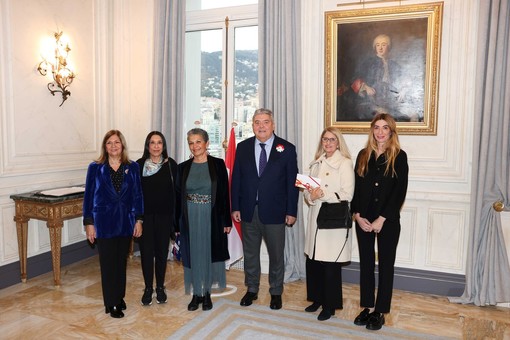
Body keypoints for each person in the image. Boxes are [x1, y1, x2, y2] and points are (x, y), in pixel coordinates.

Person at [231, 108, 299, 310]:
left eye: (265, 122)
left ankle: (276, 292)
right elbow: (236, 180)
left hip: (276, 212)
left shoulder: (286, 148)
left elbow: (292, 183)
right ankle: (251, 289)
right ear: (252, 125)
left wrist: (291, 211)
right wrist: (235, 206)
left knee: (276, 255)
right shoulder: (242, 148)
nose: (261, 126)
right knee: (250, 254)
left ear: (273, 124)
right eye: (257, 122)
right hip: (248, 211)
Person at [351, 112, 409, 330]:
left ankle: (380, 311)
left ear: (391, 131)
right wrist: (357, 215)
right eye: (377, 127)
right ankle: (366, 307)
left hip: (388, 220)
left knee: (386, 265)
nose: (380, 132)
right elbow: (356, 188)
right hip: (363, 219)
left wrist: (382, 219)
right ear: (372, 130)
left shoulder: (399, 156)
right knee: (365, 264)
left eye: (385, 128)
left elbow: (399, 192)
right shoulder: (363, 155)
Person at [83, 130, 143, 318]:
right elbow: (88, 197)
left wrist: (139, 220)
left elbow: (137, 195)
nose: (113, 146)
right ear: (105, 147)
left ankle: (119, 296)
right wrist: (89, 223)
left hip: (125, 222)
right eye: (109, 143)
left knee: (120, 262)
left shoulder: (132, 167)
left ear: (122, 145)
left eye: (117, 142)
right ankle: (112, 302)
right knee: (108, 264)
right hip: (103, 222)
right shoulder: (95, 167)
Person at [176, 128, 231, 311]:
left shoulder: (218, 164)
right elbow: (178, 197)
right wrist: (177, 224)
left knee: (207, 254)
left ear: (207, 143)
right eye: (191, 142)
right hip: (189, 217)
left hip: (211, 216)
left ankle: (206, 293)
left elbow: (224, 194)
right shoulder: (182, 168)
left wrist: (226, 221)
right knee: (193, 254)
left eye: (198, 141)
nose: (195, 146)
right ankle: (196, 294)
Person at [303, 127, 354, 321]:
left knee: (330, 265)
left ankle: (330, 305)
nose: (328, 143)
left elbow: (348, 193)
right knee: (314, 261)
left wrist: (323, 195)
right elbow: (307, 192)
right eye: (325, 139)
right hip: (316, 219)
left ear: (338, 142)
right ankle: (316, 299)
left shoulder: (345, 163)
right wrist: (311, 196)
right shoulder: (316, 163)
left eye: (332, 140)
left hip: (333, 221)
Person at [136, 131, 177, 306]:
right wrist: (137, 219)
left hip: (164, 217)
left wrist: (175, 222)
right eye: (152, 143)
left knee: (161, 254)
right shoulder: (138, 165)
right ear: (148, 145)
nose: (156, 146)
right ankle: (147, 288)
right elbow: (135, 195)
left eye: (159, 142)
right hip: (145, 219)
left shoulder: (171, 165)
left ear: (163, 145)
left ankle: (160, 287)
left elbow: (176, 194)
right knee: (146, 254)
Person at [338, 34, 418, 122]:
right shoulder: (368, 62)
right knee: (384, 116)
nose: (380, 48)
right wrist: (366, 87)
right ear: (375, 47)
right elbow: (354, 79)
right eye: (377, 45)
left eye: (383, 45)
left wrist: (404, 90)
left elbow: (407, 80)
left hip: (391, 101)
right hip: (371, 101)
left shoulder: (394, 64)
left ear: (389, 47)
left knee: (414, 114)